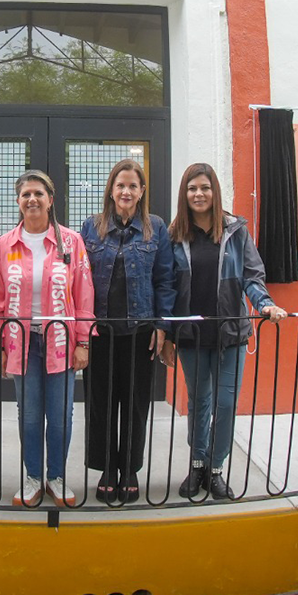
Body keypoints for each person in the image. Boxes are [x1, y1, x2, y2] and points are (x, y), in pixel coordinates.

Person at [164, 163, 287, 500]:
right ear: (184, 194)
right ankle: (197, 465)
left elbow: (252, 276)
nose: (198, 194)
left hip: (231, 333)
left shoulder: (235, 231)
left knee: (226, 402)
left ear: (214, 192)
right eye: (192, 189)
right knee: (199, 402)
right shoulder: (175, 235)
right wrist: (167, 335)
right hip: (191, 335)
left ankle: (216, 468)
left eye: (204, 188)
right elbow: (168, 287)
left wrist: (264, 304)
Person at [0, 170, 95, 506]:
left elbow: (84, 294)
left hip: (61, 341)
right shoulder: (4, 246)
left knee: (61, 414)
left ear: (51, 200)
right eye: (26, 194)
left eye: (38, 194)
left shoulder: (71, 242)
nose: (32, 200)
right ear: (18, 201)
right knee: (30, 414)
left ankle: (56, 477)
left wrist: (83, 341)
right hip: (21, 343)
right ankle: (33, 477)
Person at [80, 158, 176, 504]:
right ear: (111, 190)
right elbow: (80, 280)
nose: (126, 191)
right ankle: (107, 468)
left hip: (140, 333)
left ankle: (130, 469)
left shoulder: (156, 228)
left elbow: (165, 280)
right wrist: (81, 330)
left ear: (142, 191)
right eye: (120, 185)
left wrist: (163, 327)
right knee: (101, 404)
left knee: (135, 405)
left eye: (133, 185)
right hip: (100, 333)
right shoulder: (91, 228)